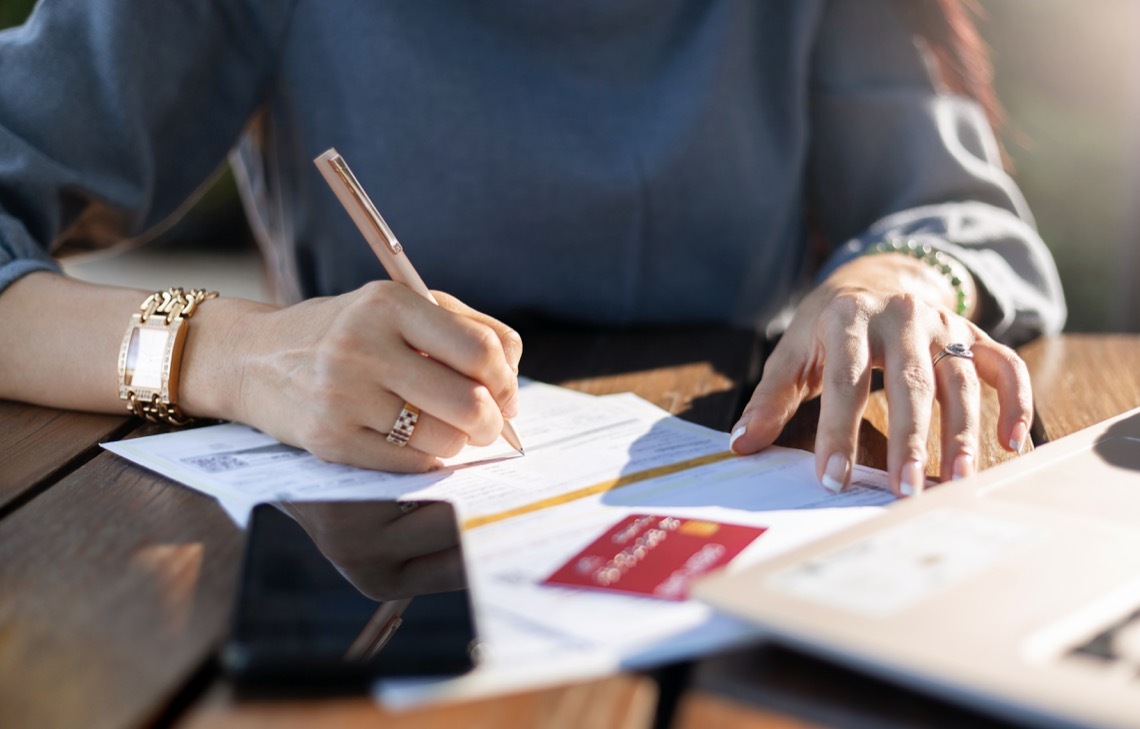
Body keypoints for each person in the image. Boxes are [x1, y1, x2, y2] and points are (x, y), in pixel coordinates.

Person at [0, 0, 1065, 498]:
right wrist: (229, 355)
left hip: (735, 497)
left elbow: (959, 218)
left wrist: (897, 281)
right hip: (362, 534)